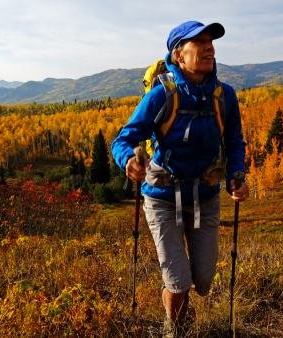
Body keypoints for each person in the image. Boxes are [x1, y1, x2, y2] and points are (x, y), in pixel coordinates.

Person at [111, 20, 249, 335]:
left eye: (210, 42)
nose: (209, 47)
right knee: (178, 279)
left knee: (202, 280)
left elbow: (234, 143)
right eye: (198, 42)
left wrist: (236, 176)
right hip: (162, 196)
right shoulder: (162, 95)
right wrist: (128, 161)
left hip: (205, 196)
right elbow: (123, 139)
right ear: (179, 53)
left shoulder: (224, 96)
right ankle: (177, 328)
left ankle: (182, 314)